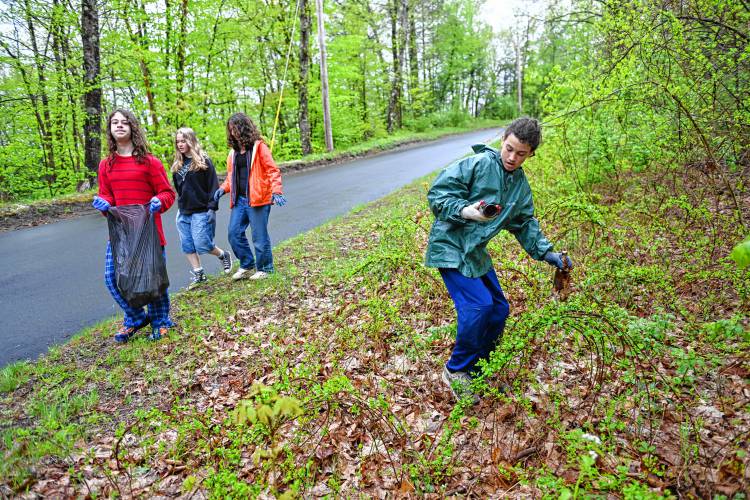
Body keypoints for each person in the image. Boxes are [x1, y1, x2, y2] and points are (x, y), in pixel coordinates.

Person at [425, 117, 572, 403]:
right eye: (509, 148)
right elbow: (438, 194)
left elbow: (525, 223)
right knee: (479, 305)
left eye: (521, 153)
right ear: (503, 139)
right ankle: (456, 370)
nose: (512, 157)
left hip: (475, 252)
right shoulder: (478, 164)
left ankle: (480, 370)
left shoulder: (519, 186)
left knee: (499, 309)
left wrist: (548, 254)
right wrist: (467, 211)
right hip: (450, 247)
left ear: (531, 154)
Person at [92, 109, 176, 343]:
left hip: (149, 233)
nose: (119, 125)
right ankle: (136, 317)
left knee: (153, 280)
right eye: (114, 122)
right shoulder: (105, 165)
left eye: (124, 122)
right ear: (109, 129)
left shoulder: (150, 162)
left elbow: (168, 193)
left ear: (132, 128)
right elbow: (107, 198)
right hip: (121, 235)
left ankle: (160, 321)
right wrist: (103, 203)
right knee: (112, 278)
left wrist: (159, 201)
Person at [213, 112, 286, 281]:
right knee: (234, 233)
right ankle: (247, 264)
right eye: (230, 129)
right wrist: (223, 189)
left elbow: (272, 170)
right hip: (239, 200)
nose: (233, 132)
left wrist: (276, 191)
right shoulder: (232, 153)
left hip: (258, 198)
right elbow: (232, 178)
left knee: (259, 236)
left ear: (244, 127)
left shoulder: (259, 147)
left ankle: (266, 268)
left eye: (236, 128)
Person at [171, 127, 233, 289]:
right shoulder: (177, 165)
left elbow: (213, 186)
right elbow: (179, 189)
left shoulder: (204, 161)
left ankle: (223, 254)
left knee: (202, 244)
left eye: (183, 141)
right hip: (184, 212)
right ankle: (199, 274)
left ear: (191, 140)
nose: (180, 144)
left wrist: (212, 208)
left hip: (201, 210)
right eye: (178, 141)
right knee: (187, 245)